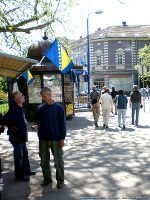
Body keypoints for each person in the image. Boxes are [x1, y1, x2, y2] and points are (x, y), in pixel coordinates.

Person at [0, 91, 36, 182]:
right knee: (19, 157)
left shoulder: (19, 108)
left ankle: (26, 171)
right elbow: (4, 119)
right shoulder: (14, 110)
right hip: (17, 138)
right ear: (18, 99)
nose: (23, 96)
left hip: (22, 137)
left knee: (25, 155)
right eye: (22, 95)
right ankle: (19, 176)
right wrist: (12, 127)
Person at [36, 87, 66, 189]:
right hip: (43, 139)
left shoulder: (59, 108)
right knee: (44, 161)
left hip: (56, 139)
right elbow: (39, 122)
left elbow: (63, 125)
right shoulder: (40, 108)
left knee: (58, 161)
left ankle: (60, 180)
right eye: (42, 97)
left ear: (50, 95)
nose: (43, 99)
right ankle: (47, 179)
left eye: (44, 96)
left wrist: (62, 138)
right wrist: (37, 126)